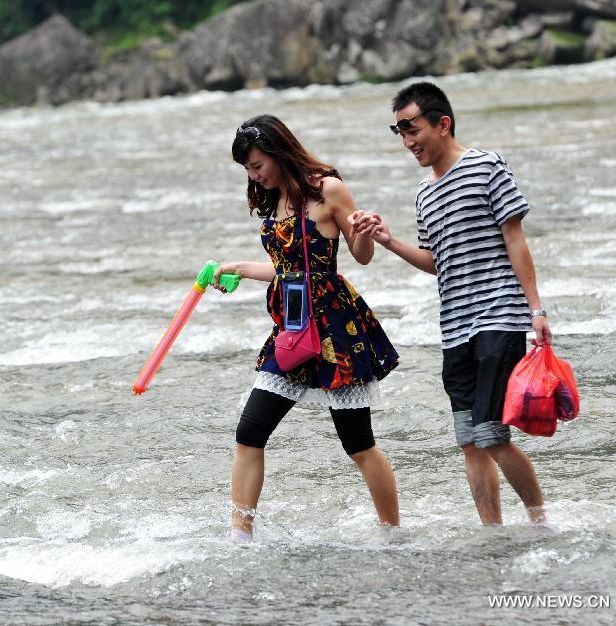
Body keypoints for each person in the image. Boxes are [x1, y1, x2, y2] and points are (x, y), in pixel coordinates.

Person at [352, 82, 550, 525]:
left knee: (492, 434)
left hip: (500, 315)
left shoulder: (487, 166)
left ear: (443, 124)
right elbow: (436, 262)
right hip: (455, 327)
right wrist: (388, 241)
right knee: (469, 440)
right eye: (400, 132)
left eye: (413, 129)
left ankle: (539, 521)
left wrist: (536, 311)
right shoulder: (424, 193)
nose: (408, 142)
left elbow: (515, 240)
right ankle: (493, 531)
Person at [213, 114, 401, 540]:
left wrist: (367, 232)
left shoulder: (327, 189)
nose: (253, 175)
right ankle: (240, 534)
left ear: (279, 152)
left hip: (335, 327)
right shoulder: (272, 197)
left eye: (257, 165)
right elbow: (286, 268)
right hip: (292, 325)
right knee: (250, 431)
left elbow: (361, 254)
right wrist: (239, 268)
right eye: (247, 169)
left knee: (357, 441)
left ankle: (391, 533)